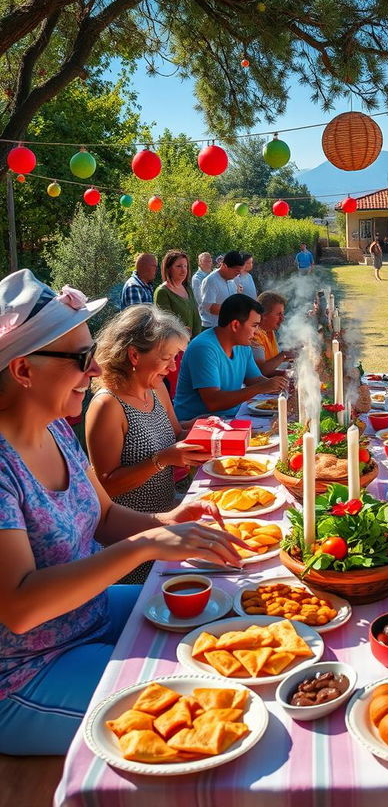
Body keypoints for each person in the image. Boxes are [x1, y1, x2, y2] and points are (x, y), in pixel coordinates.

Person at [0, 271, 245, 755]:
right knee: (200, 710)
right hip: (29, 670)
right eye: (79, 359)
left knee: (221, 628)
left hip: (87, 618)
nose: (93, 371)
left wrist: (170, 521)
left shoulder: (56, 431)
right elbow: (20, 607)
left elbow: (106, 517)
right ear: (24, 370)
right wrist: (148, 543)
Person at [86, 306, 213, 583]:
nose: (174, 366)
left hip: (169, 514)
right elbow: (105, 486)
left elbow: (176, 434)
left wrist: (207, 429)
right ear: (134, 355)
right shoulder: (107, 405)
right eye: (167, 357)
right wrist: (163, 459)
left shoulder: (156, 388)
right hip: (133, 541)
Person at [174, 294, 289, 420]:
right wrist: (262, 387)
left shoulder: (243, 345)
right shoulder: (204, 348)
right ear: (235, 325)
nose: (256, 331)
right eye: (254, 325)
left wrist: (280, 384)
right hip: (196, 426)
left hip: (231, 418)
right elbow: (213, 402)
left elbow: (254, 380)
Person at [154, 251, 201, 339]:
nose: (183, 270)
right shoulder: (163, 291)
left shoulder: (188, 288)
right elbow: (167, 324)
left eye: (185, 266)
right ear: (169, 268)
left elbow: (196, 316)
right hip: (175, 346)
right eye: (179, 266)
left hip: (193, 343)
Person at [251, 291, 296, 377]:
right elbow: (261, 371)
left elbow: (273, 361)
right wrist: (284, 355)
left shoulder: (270, 330)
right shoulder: (255, 335)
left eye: (282, 314)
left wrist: (291, 353)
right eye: (278, 314)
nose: (282, 318)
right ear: (264, 315)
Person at [199, 250, 243, 328]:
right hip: (212, 328)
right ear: (225, 266)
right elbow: (210, 308)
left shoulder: (232, 280)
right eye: (236, 271)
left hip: (227, 327)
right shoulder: (211, 281)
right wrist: (234, 309)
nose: (238, 274)